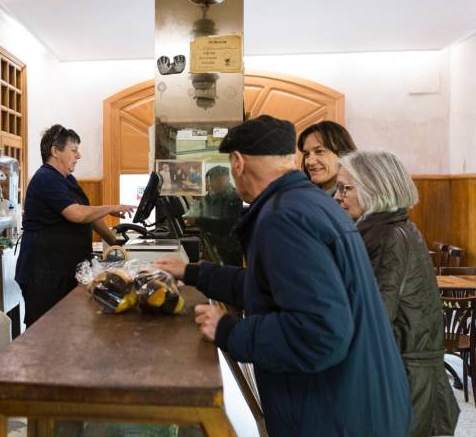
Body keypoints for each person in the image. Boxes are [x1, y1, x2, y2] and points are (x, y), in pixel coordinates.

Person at [154, 115, 411, 436]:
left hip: (333, 414)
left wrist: (229, 330)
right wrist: (194, 273)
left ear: (237, 162)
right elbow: (276, 288)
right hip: (361, 401)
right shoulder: (309, 202)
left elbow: (319, 332)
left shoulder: (283, 218)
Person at [335, 151, 459, 436]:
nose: (337, 197)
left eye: (346, 188)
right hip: (409, 374)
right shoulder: (396, 228)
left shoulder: (387, 236)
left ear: (374, 188)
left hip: (403, 379)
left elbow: (373, 314)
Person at [15, 124, 135, 326]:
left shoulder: (67, 180)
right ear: (55, 151)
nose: (78, 156)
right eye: (73, 150)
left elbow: (90, 215)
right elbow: (77, 214)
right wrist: (111, 207)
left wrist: (116, 243)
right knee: (45, 332)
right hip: (44, 274)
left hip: (63, 271)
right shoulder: (46, 178)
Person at [185, 165, 243, 265]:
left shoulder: (232, 198)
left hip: (228, 249)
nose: (210, 185)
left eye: (212, 181)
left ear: (223, 179)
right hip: (219, 246)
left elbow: (226, 225)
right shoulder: (218, 196)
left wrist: (197, 220)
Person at [297, 121, 356, 195]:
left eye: (319, 151)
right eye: (306, 154)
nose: (310, 162)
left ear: (343, 153)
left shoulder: (360, 200)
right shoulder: (302, 196)